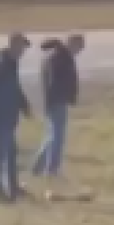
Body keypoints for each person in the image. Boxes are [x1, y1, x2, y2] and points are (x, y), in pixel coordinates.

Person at [0, 32, 32, 202]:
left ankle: (14, 187)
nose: (23, 52)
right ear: (13, 45)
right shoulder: (1, 65)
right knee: (0, 153)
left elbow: (15, 88)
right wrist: (1, 114)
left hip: (8, 116)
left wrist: (24, 106)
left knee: (11, 153)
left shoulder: (11, 64)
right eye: (21, 47)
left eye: (24, 49)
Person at [32, 33, 84, 183]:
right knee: (57, 136)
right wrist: (63, 97)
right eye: (79, 47)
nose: (79, 51)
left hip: (54, 101)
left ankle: (38, 167)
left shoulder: (59, 55)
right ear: (72, 43)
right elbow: (54, 81)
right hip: (56, 101)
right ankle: (51, 170)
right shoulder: (59, 57)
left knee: (51, 136)